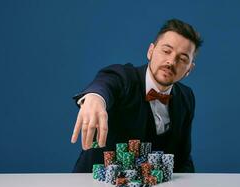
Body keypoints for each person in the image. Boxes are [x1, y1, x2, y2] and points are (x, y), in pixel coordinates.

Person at [71, 18, 202, 173]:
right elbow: (106, 82)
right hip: (95, 184)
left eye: (182, 59)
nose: (171, 61)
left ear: (189, 69)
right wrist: (95, 97)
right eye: (166, 51)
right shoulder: (125, 77)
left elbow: (183, 158)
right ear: (150, 51)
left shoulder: (186, 97)